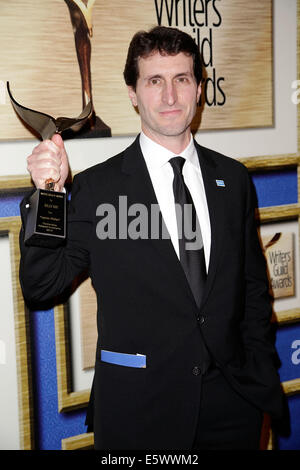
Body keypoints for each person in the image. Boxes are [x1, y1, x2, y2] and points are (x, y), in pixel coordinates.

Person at [19, 26, 284, 450]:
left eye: (182, 79)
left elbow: (252, 290)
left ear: (199, 89)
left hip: (233, 409)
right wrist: (49, 192)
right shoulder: (98, 190)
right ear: (132, 93)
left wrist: (257, 372)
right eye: (154, 81)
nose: (170, 97)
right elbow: (40, 286)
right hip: (138, 415)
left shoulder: (233, 179)